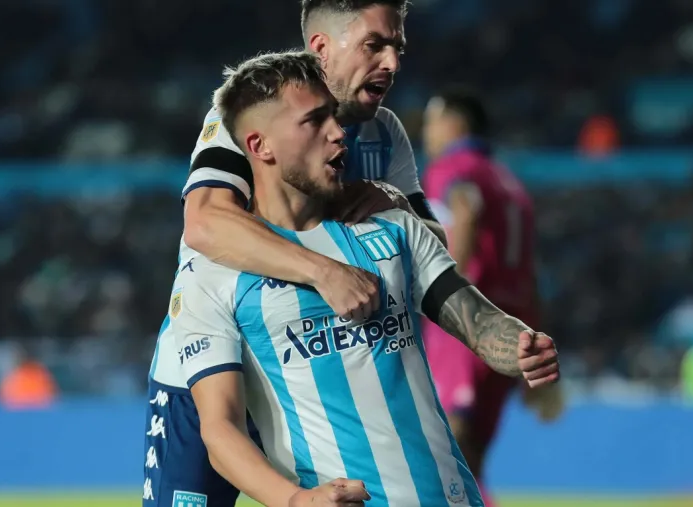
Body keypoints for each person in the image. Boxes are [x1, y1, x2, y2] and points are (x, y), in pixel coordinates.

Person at [144, 51, 560, 507]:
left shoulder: (393, 228)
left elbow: (475, 319)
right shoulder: (210, 276)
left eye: (334, 116)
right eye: (314, 121)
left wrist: (520, 345)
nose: (338, 132)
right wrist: (296, 501)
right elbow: (220, 429)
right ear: (261, 146)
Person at [182, 0, 445, 325]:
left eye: (397, 49)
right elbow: (204, 224)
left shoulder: (384, 131)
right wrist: (325, 273)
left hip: (338, 341)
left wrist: (397, 202)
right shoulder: (255, 114)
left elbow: (437, 246)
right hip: (227, 339)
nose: (392, 64)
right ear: (322, 48)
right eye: (374, 45)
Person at [421, 87, 563, 507]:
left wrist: (446, 283)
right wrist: (537, 345)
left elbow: (465, 208)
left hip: (468, 319)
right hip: (512, 327)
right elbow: (528, 272)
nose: (426, 135)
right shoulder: (509, 182)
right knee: (471, 457)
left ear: (454, 123)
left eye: (431, 123)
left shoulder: (454, 167)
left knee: (447, 440)